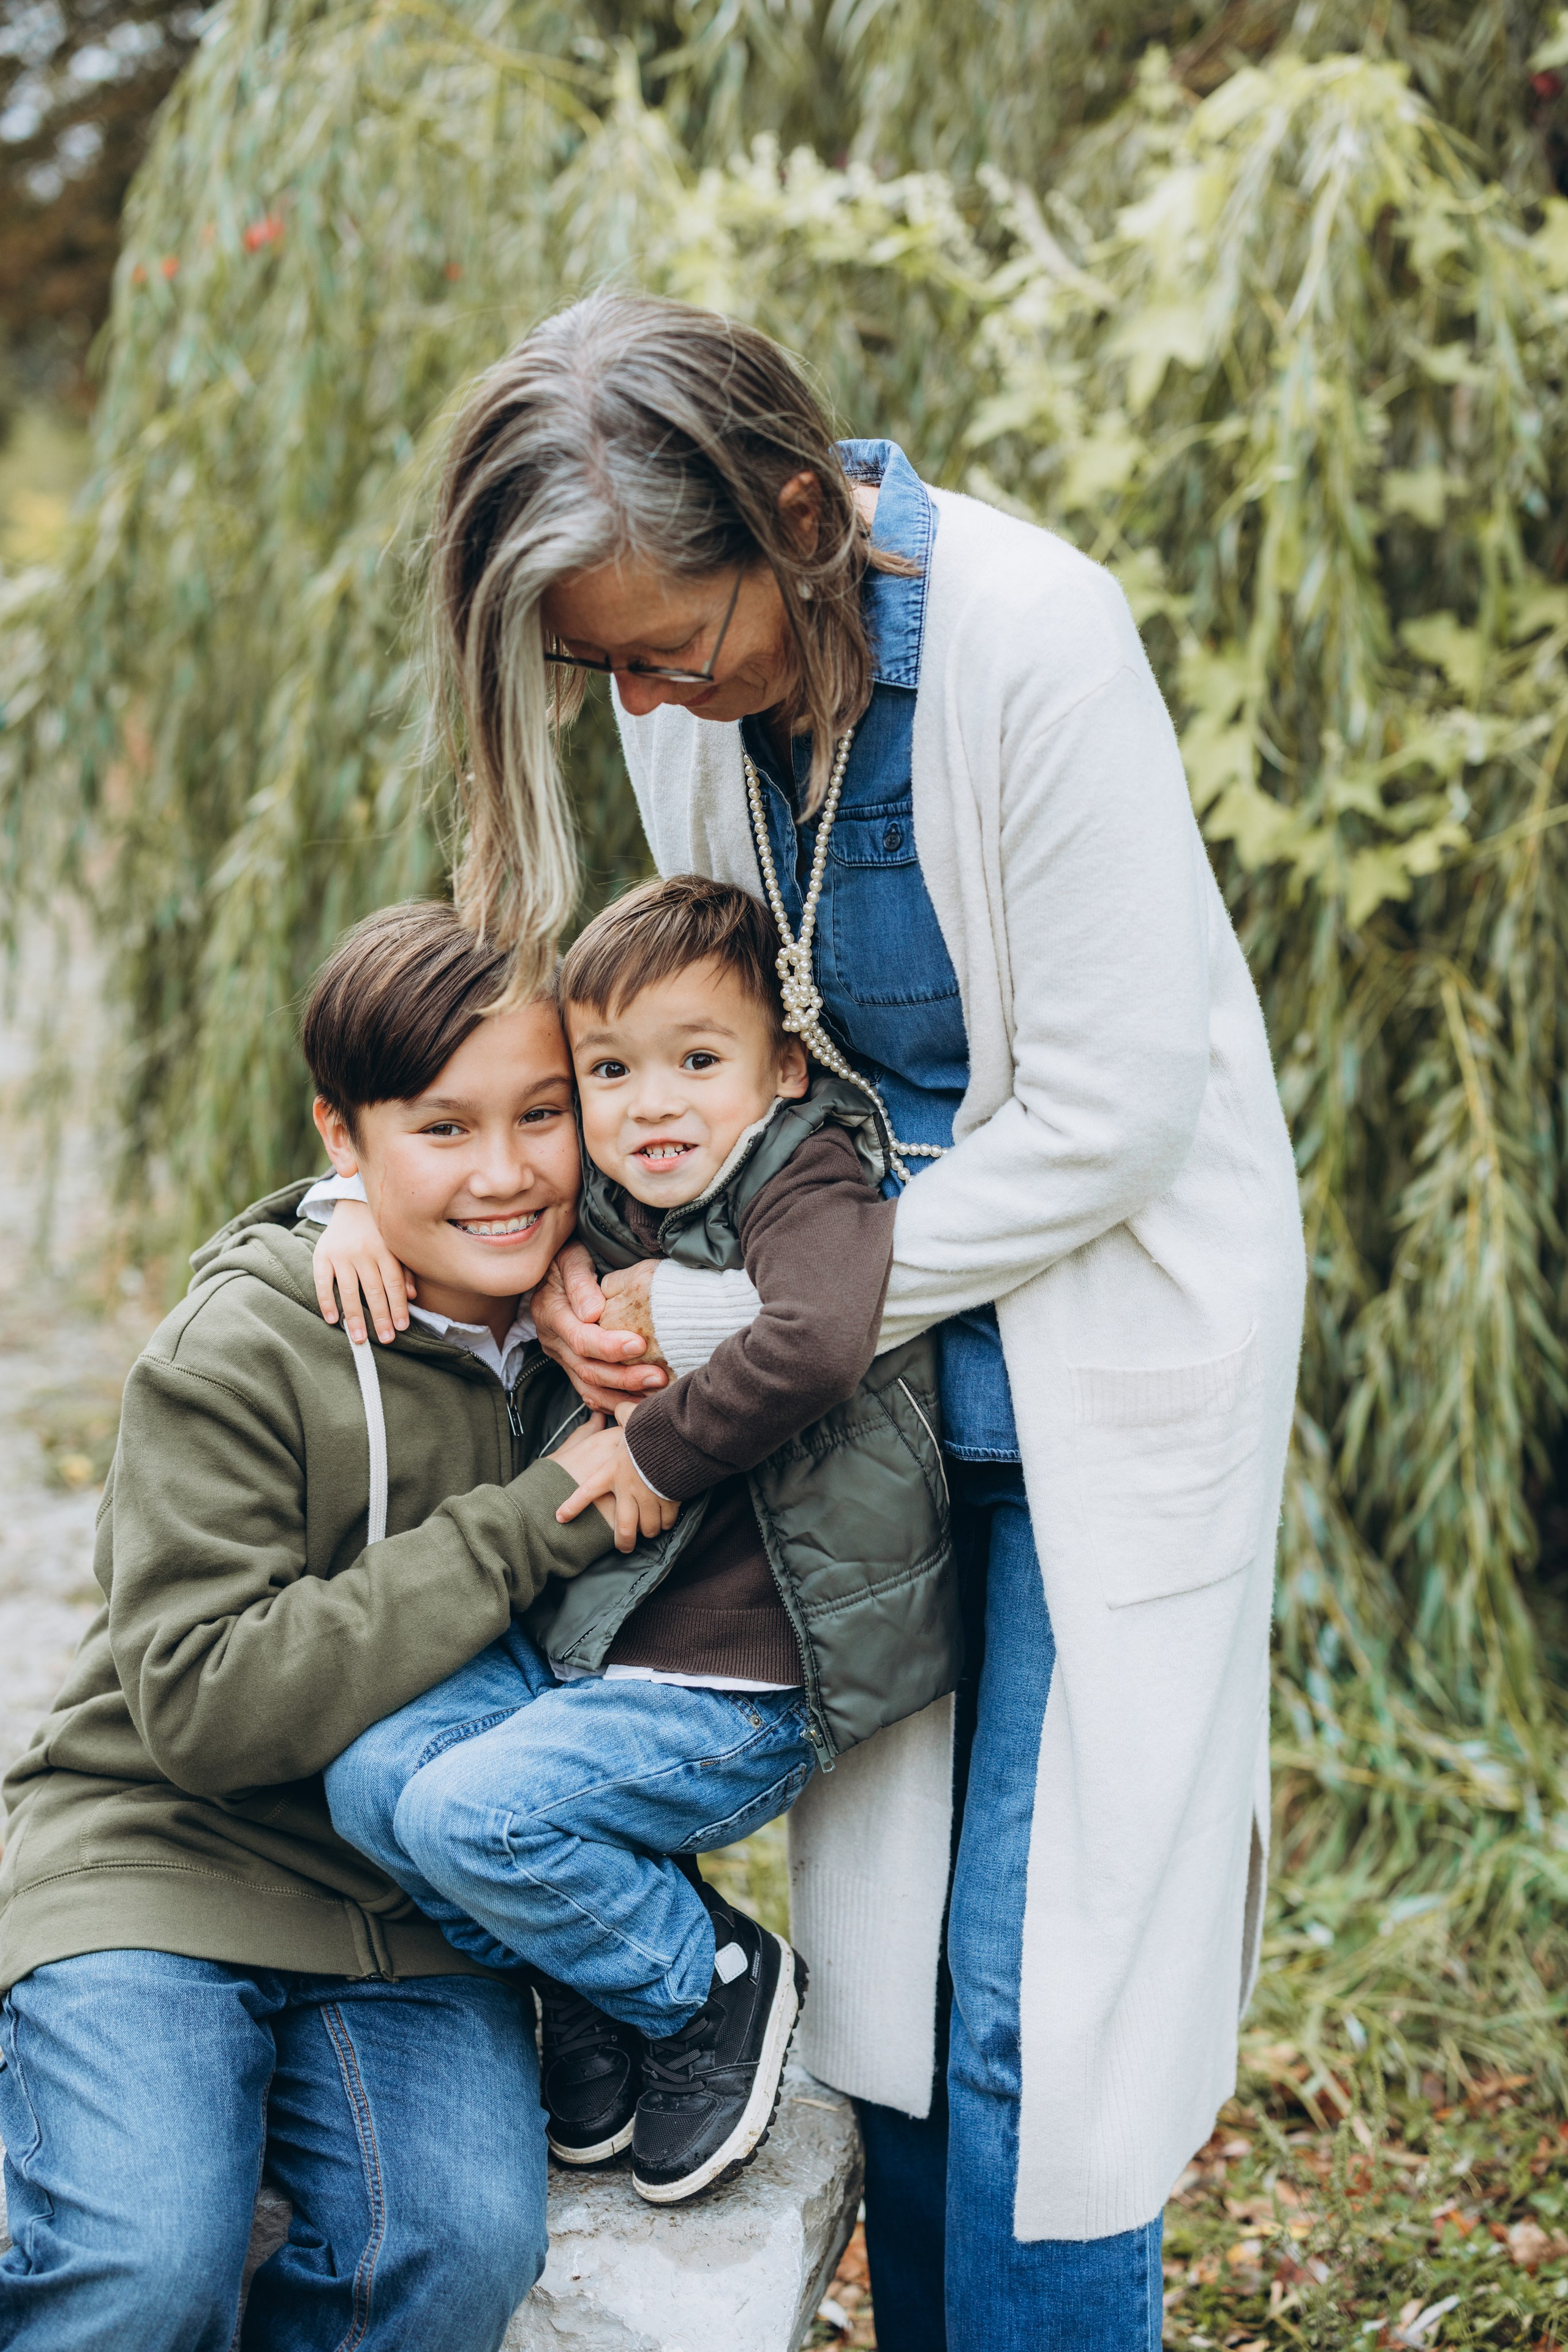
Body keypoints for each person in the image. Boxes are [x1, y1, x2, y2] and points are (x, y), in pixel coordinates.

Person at [320, 290, 1308, 2351]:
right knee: (896, 1991)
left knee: (1049, 2002)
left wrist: (740, 1310)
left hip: (1093, 1363)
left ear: (797, 513)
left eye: (666, 647)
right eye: (601, 668)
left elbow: (1116, 1123)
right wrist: (453, 1194)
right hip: (852, 1410)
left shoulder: (1040, 643)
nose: (648, 703)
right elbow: (686, 1048)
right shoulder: (679, 680)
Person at [0, 902, 638, 2352]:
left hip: (408, 1911)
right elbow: (207, 1706)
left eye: (543, 1115)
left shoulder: (600, 1324)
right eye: (441, 1129)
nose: (506, 1172)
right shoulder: (240, 1350)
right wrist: (535, 1512)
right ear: (340, 1139)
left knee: (459, 2245)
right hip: (159, 1862)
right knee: (144, 2264)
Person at [318, 869, 959, 2205]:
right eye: (608, 1069)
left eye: (697, 1060)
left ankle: (704, 1981)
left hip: (740, 1681)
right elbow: (435, 1158)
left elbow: (815, 1340)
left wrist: (644, 1448)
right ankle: (593, 1985)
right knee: (372, 1778)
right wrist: (332, 1213)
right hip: (609, 1663)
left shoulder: (806, 1172)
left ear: (781, 1068)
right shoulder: (621, 1188)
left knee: (469, 1813)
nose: (650, 1102)